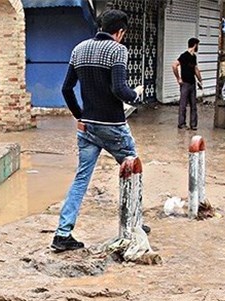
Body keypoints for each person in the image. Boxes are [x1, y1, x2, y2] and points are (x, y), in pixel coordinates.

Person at [52, 9, 144, 253]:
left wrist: (79, 116)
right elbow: (119, 89)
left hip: (87, 126)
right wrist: (136, 95)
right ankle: (135, 225)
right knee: (133, 170)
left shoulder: (79, 49)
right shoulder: (118, 50)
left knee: (81, 179)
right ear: (120, 32)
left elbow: (66, 89)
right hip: (113, 126)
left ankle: (62, 234)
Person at [172, 37, 202, 130]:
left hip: (192, 83)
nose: (198, 47)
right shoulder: (184, 56)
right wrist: (178, 79)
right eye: (198, 45)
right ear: (195, 45)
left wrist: (200, 80)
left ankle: (193, 124)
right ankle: (181, 123)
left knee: (193, 105)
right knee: (183, 104)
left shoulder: (194, 57)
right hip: (185, 83)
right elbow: (174, 65)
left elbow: (196, 69)